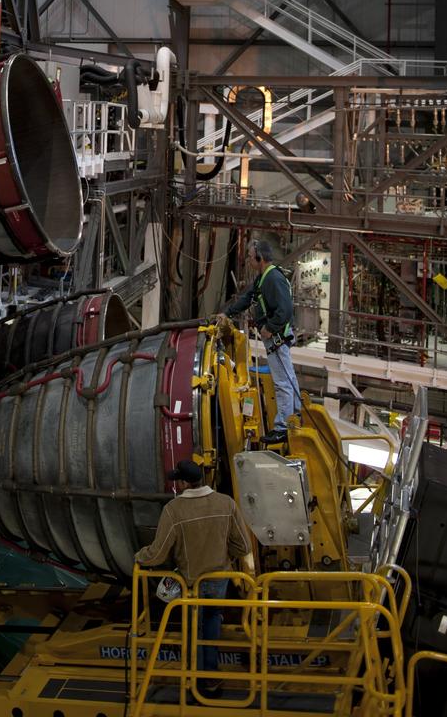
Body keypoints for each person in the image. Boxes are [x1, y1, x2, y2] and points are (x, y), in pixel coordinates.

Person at [134, 460, 251, 697]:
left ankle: (194, 682)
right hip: (219, 579)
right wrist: (222, 551)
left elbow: (157, 554)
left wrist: (139, 557)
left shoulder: (174, 510)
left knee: (192, 630)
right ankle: (210, 679)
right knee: (212, 622)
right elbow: (243, 545)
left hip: (191, 583)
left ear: (183, 483)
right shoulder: (226, 503)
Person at [221, 239, 301, 440]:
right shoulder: (263, 278)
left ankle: (282, 427)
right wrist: (228, 313)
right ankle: (296, 412)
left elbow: (285, 311)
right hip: (277, 337)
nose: (248, 260)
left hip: (276, 337)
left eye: (250, 257)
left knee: (282, 381)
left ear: (260, 257)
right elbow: (248, 297)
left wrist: (269, 328)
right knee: (288, 376)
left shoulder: (273, 279)